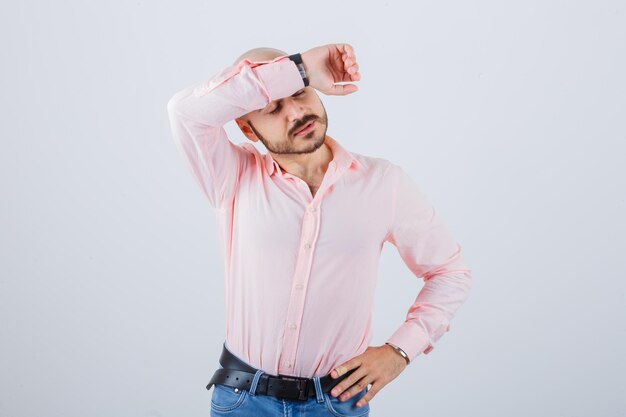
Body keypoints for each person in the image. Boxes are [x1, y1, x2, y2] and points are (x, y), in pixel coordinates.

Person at [166, 42, 472, 416]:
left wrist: (400, 351)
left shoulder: (383, 183)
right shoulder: (232, 176)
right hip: (243, 401)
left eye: (299, 93)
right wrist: (299, 68)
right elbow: (185, 111)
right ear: (246, 127)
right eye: (272, 107)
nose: (296, 112)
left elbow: (449, 272)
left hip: (336, 403)